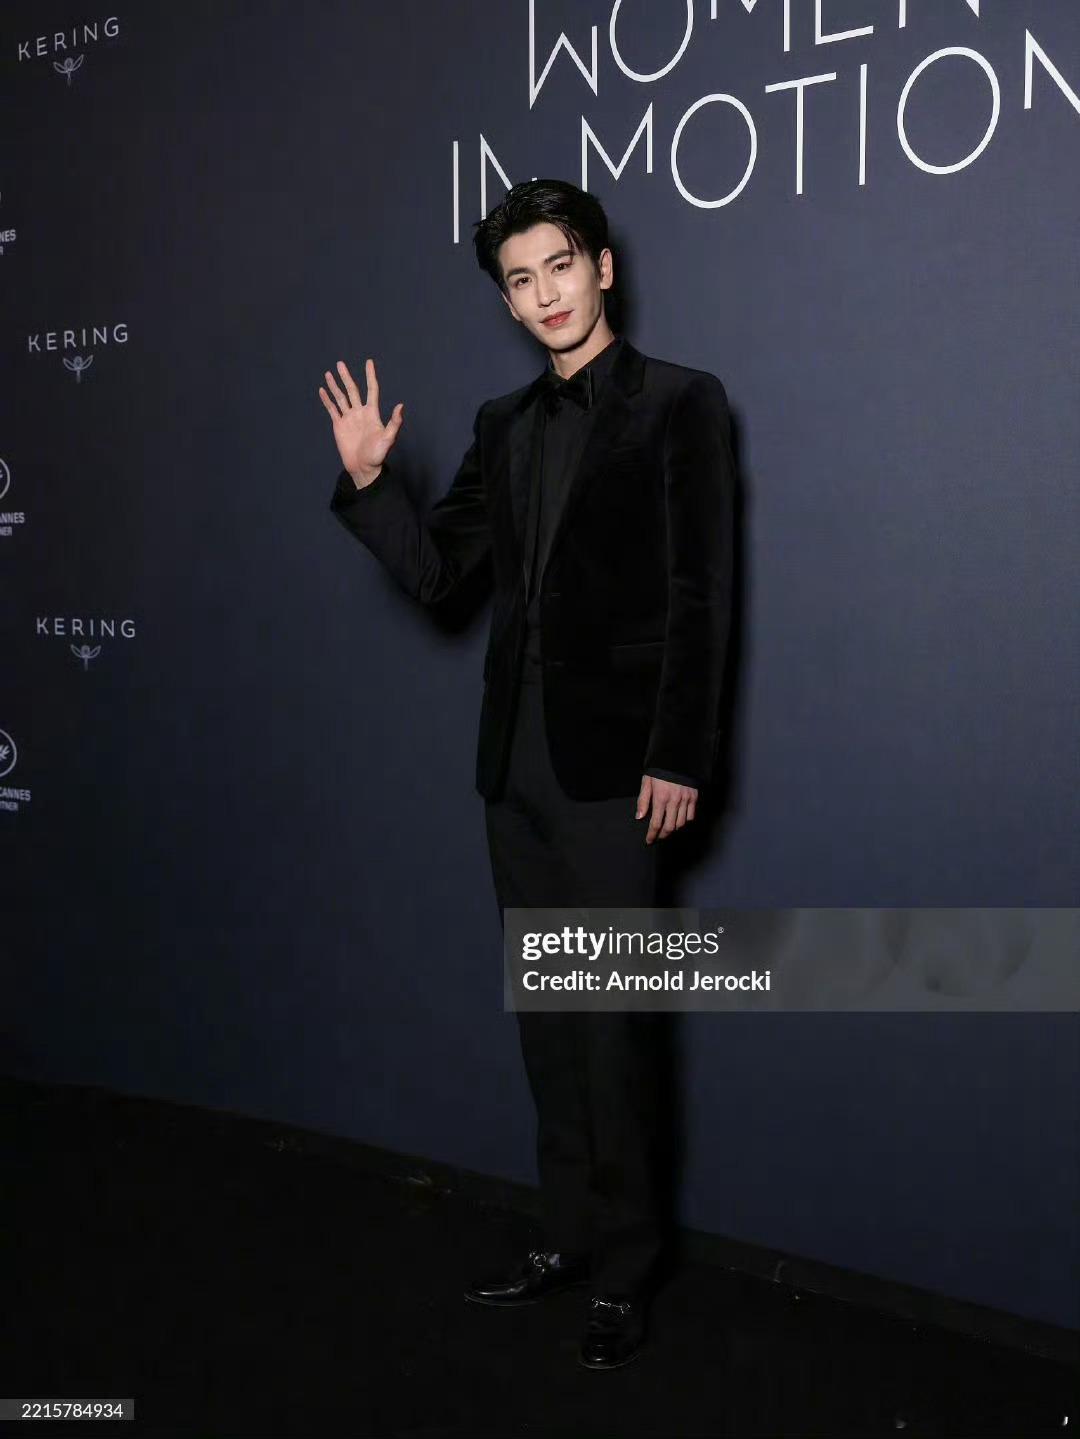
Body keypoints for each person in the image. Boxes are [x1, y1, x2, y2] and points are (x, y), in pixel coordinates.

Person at [319, 179, 734, 1370]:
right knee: (550, 1025)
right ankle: (565, 1236)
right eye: (520, 279)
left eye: (559, 265)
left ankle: (625, 1273)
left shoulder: (682, 403)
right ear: (506, 302)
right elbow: (442, 578)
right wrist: (370, 484)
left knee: (614, 1033)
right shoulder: (502, 424)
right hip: (516, 772)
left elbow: (702, 591)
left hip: (618, 778)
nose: (545, 293)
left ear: (601, 266)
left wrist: (677, 753)